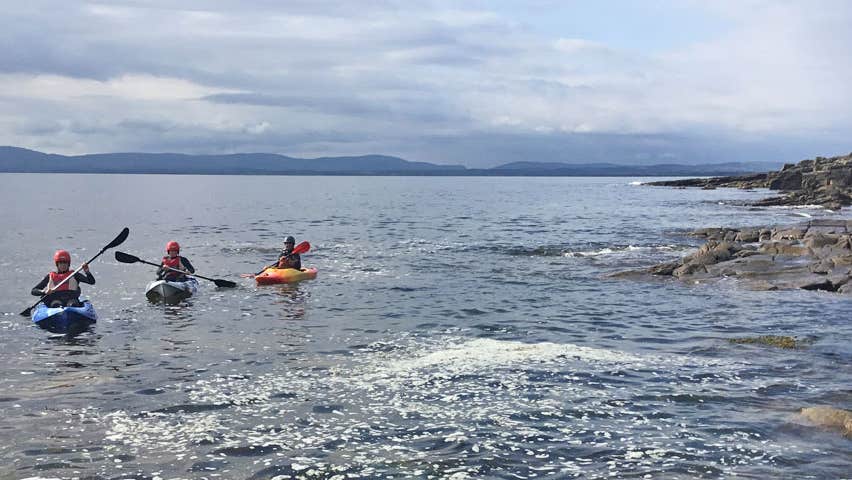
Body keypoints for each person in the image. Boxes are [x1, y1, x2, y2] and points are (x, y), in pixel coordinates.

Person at [30, 250, 95, 307]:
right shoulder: (50, 276)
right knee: (56, 305)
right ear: (57, 264)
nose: (63, 265)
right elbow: (33, 291)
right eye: (60, 263)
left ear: (68, 264)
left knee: (73, 304)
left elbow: (91, 282)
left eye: (65, 263)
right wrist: (44, 291)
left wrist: (87, 271)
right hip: (55, 301)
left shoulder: (75, 275)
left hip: (71, 301)